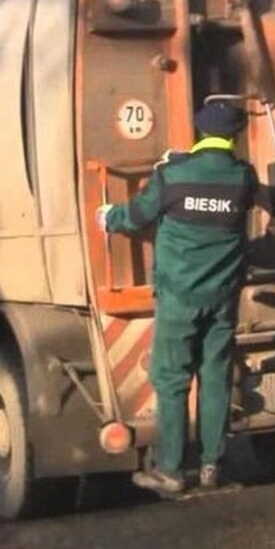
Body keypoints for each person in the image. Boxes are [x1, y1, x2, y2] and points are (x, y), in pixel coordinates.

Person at [95, 98, 257, 494]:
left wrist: (107, 216)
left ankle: (169, 469)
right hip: (222, 297)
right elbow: (217, 185)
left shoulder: (172, 175)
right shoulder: (244, 178)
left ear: (200, 130)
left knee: (172, 379)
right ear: (235, 135)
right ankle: (211, 468)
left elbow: (136, 216)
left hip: (180, 296)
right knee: (215, 377)